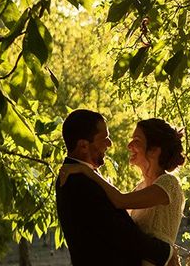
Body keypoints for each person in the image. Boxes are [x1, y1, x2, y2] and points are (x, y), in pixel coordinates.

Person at [55, 109, 178, 266]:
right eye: (104, 138)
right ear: (83, 146)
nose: (110, 144)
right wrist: (167, 253)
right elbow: (122, 233)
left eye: (137, 140)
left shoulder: (81, 176)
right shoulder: (78, 181)